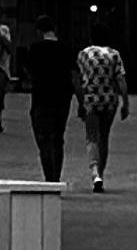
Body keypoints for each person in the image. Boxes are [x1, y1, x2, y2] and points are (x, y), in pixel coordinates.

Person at [73, 27, 129, 189]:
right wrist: (125, 102)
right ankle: (101, 175)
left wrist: (80, 101)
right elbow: (120, 80)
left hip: (90, 99)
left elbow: (77, 80)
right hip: (109, 100)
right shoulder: (114, 54)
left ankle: (94, 172)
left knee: (92, 137)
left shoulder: (83, 54)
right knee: (104, 137)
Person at [27, 16, 77, 183]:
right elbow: (74, 75)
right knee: (58, 138)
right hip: (62, 98)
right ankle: (56, 177)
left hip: (41, 97)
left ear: (39, 31)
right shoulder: (66, 49)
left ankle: (49, 176)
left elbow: (29, 71)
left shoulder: (35, 49)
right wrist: (82, 100)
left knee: (44, 139)